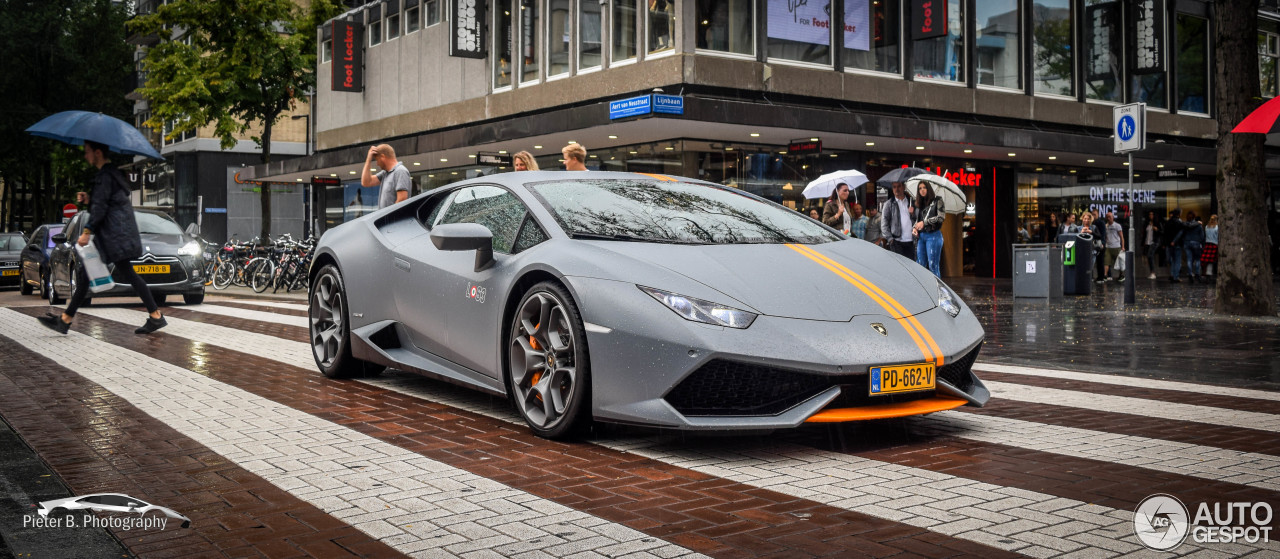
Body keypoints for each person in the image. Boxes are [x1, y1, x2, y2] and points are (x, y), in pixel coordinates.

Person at [38, 141, 166, 335]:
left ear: (98, 152)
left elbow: (101, 208)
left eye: (87, 152)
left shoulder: (105, 176)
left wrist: (86, 231)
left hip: (113, 235)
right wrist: (90, 199)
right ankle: (65, 320)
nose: (85, 156)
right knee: (90, 275)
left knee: (98, 275)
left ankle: (65, 320)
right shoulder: (111, 174)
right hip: (117, 233)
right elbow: (106, 202)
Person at [912, 182, 946, 277]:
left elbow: (941, 217)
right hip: (921, 236)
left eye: (924, 187)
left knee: (933, 266)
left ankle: (935, 291)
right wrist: (915, 228)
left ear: (929, 189)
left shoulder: (937, 200)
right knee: (920, 265)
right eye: (920, 188)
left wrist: (925, 222)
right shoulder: (919, 203)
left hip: (933, 235)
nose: (922, 190)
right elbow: (918, 220)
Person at [361, 144, 410, 209]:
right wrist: (368, 159)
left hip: (393, 218)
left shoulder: (400, 171)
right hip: (386, 218)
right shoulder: (385, 173)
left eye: (377, 160)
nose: (377, 164)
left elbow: (402, 199)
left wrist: (389, 217)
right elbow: (366, 182)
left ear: (382, 157)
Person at [879, 181, 916, 259]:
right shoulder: (889, 204)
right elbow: (884, 224)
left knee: (912, 267)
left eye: (899, 186)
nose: (896, 189)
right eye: (894, 187)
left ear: (904, 187)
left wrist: (913, 214)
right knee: (899, 268)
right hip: (896, 241)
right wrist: (890, 239)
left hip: (911, 241)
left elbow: (918, 220)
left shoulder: (912, 202)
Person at [1163, 209, 1186, 283]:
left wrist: (1166, 243)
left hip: (1169, 244)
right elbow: (1181, 232)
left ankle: (1172, 274)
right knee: (1177, 261)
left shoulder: (1168, 222)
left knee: (1172, 260)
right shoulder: (1179, 222)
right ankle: (1176, 276)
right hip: (1177, 244)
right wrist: (1174, 241)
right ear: (1179, 214)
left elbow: (1165, 233)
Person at [1101, 211, 1125, 281]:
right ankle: (1105, 275)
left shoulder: (1117, 226)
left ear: (1113, 217)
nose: (1108, 218)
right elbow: (1105, 236)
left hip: (1117, 246)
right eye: (1107, 217)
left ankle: (1121, 275)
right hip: (1108, 246)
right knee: (1106, 261)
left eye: (1110, 217)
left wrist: (1123, 246)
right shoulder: (1106, 226)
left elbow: (1121, 237)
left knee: (1119, 262)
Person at [1183, 212, 1205, 283]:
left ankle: (1190, 274)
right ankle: (1197, 274)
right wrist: (1202, 244)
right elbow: (1202, 236)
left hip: (1187, 242)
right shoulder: (1198, 225)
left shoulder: (1185, 224)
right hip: (1196, 242)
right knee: (1198, 259)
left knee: (1189, 259)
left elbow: (1182, 233)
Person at [1143, 210, 1162, 279]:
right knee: (1149, 257)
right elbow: (1145, 234)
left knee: (1150, 255)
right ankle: (1152, 272)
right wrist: (1144, 242)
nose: (1150, 216)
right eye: (1149, 214)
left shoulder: (1157, 223)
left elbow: (1162, 232)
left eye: (1152, 214)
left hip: (1154, 242)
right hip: (1148, 242)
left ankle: (1153, 272)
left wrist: (1157, 229)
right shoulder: (1147, 223)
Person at [1202, 214, 1219, 278]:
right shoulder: (1217, 227)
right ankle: (1209, 272)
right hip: (1214, 244)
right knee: (1212, 260)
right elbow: (1217, 237)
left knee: (1207, 260)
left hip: (1207, 244)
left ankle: (1207, 272)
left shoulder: (1206, 227)